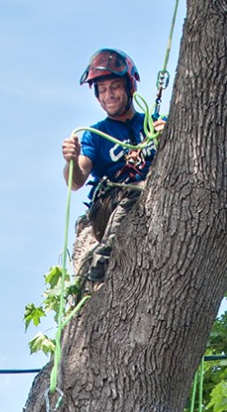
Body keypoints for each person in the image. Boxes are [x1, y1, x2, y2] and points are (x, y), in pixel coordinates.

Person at [61, 48, 165, 284]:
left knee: (150, 186)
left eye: (115, 87)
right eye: (103, 90)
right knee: (137, 188)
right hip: (110, 208)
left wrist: (171, 137)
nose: (109, 95)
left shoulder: (155, 123)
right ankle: (104, 254)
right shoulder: (96, 135)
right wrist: (71, 160)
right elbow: (76, 181)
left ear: (130, 87)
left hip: (155, 201)